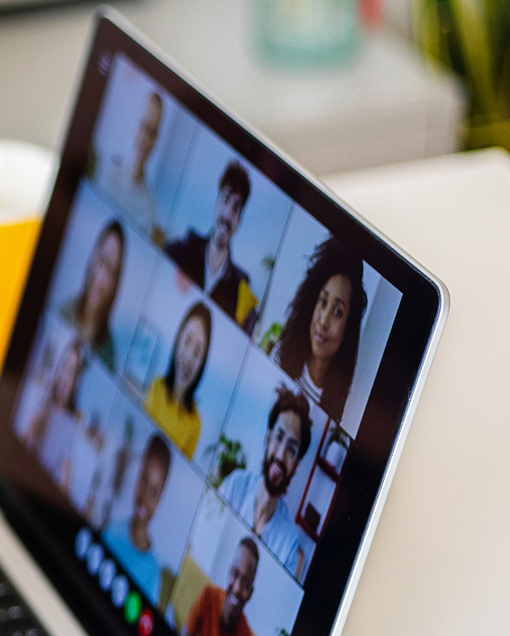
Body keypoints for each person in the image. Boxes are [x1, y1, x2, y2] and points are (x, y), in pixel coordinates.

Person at [219, 387, 313, 578]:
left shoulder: (288, 543)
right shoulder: (235, 485)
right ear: (268, 439)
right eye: (278, 438)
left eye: (291, 450)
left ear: (296, 465)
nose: (280, 455)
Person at [271, 238, 367, 423]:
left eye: (337, 312)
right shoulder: (279, 359)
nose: (323, 321)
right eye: (323, 302)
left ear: (348, 329)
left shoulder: (342, 410)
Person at [166, 160, 259, 331]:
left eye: (236, 208)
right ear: (216, 203)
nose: (228, 214)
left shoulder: (241, 289)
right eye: (225, 200)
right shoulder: (181, 250)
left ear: (240, 220)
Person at [102, 434, 173, 604]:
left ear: (161, 499)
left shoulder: (154, 573)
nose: (145, 498)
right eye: (143, 481)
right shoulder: (111, 530)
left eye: (154, 492)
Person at [144, 302, 212, 458]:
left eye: (197, 352)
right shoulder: (157, 387)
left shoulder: (196, 423)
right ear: (178, 340)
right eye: (187, 341)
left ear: (203, 362)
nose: (188, 358)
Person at [60, 219, 126, 369]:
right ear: (93, 259)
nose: (103, 278)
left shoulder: (109, 353)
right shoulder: (64, 310)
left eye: (112, 272)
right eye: (103, 262)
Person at [99, 91, 163, 237]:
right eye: (144, 127)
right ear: (136, 126)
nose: (145, 139)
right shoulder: (109, 171)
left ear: (156, 141)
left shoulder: (150, 207)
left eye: (152, 133)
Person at [28, 338, 85, 494]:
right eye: (65, 366)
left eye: (73, 371)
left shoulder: (72, 425)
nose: (67, 377)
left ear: (77, 380)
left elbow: (66, 485)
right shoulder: (43, 400)